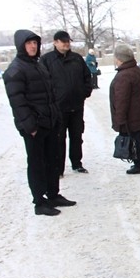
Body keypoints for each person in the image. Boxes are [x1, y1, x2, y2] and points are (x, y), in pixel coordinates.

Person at [3, 30, 76, 216]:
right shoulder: (15, 70)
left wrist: (56, 117)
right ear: (21, 46)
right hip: (34, 127)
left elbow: (50, 95)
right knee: (37, 164)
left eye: (35, 43)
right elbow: (18, 103)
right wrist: (31, 127)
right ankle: (39, 202)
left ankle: (53, 194)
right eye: (29, 43)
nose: (33, 46)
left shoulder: (39, 65)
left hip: (49, 122)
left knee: (52, 160)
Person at [40, 30, 93, 175]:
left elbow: (87, 77)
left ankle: (77, 163)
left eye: (68, 41)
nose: (66, 44)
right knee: (58, 139)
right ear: (55, 42)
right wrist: (51, 101)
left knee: (77, 136)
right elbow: (43, 83)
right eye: (63, 41)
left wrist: (84, 92)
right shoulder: (47, 60)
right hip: (58, 108)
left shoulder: (76, 59)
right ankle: (58, 168)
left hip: (76, 106)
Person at [109, 44, 140, 174]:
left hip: (130, 115)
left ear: (119, 58)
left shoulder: (123, 76)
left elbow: (121, 100)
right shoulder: (137, 70)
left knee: (134, 140)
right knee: (139, 138)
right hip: (139, 112)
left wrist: (120, 119)